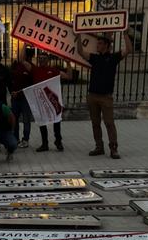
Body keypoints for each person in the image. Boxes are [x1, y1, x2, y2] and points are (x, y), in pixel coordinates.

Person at [77, 31, 133, 159]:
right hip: (92, 96)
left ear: (106, 45)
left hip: (106, 97)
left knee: (109, 123)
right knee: (95, 123)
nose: (97, 45)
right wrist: (78, 37)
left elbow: (129, 49)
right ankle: (99, 147)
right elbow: (80, 52)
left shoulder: (113, 58)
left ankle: (113, 148)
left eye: (100, 43)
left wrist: (125, 34)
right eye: (98, 43)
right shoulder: (94, 58)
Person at [25, 53, 73, 152]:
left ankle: (58, 142)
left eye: (44, 58)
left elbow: (69, 76)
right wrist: (24, 44)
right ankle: (45, 144)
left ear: (48, 60)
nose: (42, 60)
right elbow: (22, 60)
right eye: (40, 58)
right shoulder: (35, 70)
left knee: (56, 121)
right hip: (40, 100)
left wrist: (68, 64)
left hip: (52, 100)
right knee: (42, 122)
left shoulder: (54, 71)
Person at [10, 48, 34, 148]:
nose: (19, 55)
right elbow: (10, 79)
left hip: (25, 98)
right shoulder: (15, 65)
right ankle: (15, 139)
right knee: (14, 119)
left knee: (26, 120)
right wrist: (12, 92)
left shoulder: (31, 67)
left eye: (21, 53)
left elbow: (32, 84)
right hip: (15, 98)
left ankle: (25, 139)